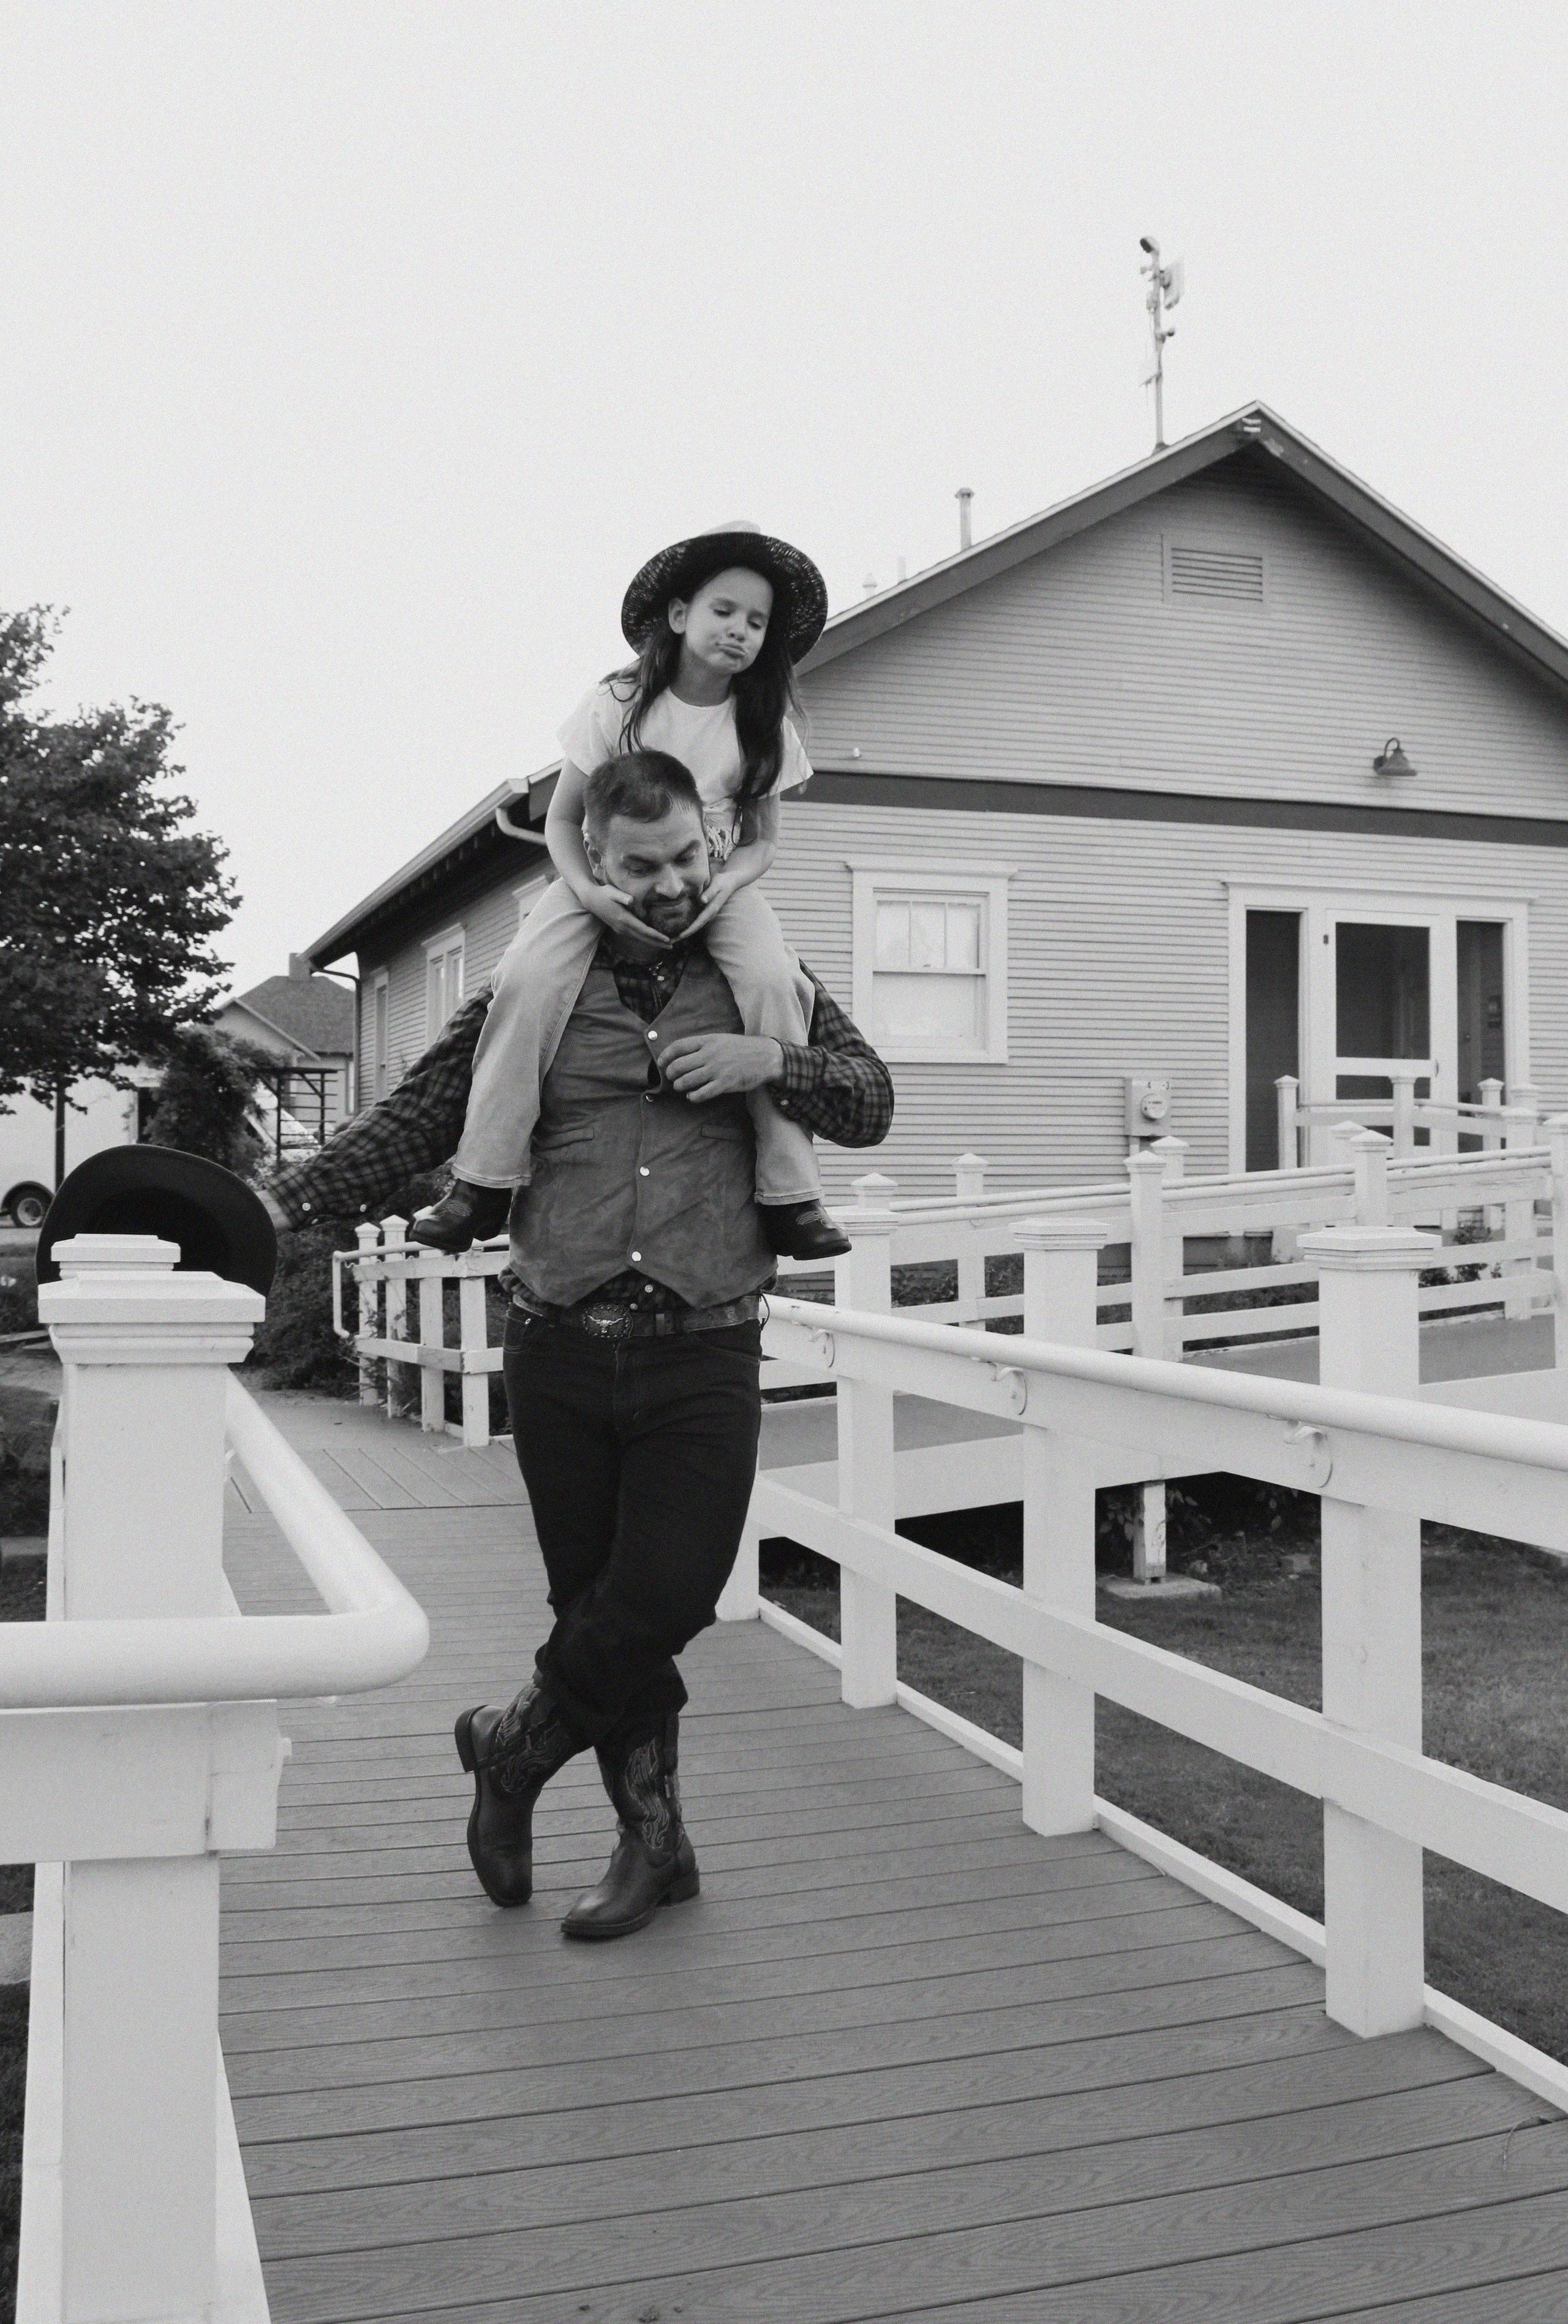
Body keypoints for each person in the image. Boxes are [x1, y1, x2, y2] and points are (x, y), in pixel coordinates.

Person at [263, 749, 894, 1940]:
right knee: (592, 1606)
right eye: (641, 866)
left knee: (661, 1595)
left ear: (712, 847)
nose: (668, 887)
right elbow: (417, 1117)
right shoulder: (531, 988)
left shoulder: (762, 972)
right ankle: (653, 1846)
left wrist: (772, 1061)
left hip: (702, 1345)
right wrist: (279, 1205)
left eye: (687, 860)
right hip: (558, 1348)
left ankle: (510, 1749)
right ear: (592, 860)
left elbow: (867, 1097)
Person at [410, 519, 851, 1266]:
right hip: (610, 879)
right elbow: (561, 820)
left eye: (756, 621)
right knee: (525, 978)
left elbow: (762, 838)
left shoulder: (760, 719)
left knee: (778, 982)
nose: (738, 631)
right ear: (679, 615)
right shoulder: (619, 701)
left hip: (713, 879)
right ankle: (482, 1179)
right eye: (723, 611)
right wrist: (589, 893)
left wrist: (729, 885)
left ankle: (791, 1193)